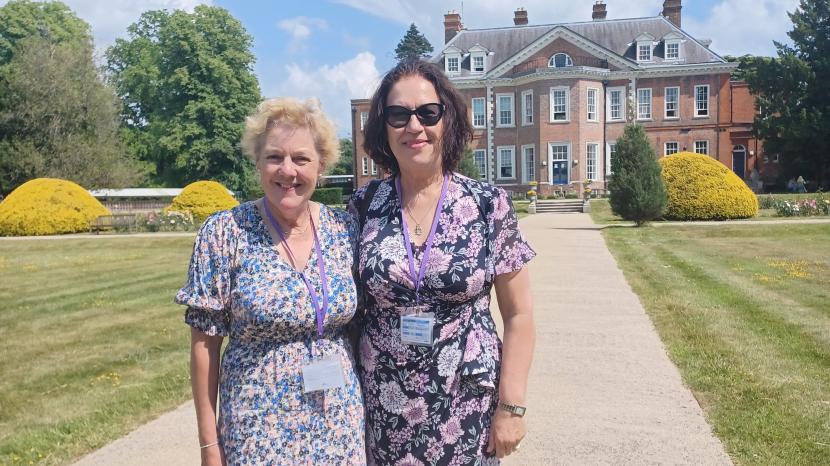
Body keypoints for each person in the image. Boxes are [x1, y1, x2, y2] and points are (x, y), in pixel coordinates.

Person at [349, 58, 536, 464]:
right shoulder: (363, 207)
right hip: (384, 404)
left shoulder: (488, 204)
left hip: (466, 402)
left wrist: (512, 407)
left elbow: (519, 315)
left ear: (447, 119)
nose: (413, 126)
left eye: (427, 113)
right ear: (383, 126)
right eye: (398, 115)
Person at [176, 98, 366, 465]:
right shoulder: (225, 232)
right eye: (275, 157)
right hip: (257, 423)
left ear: (321, 166)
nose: (287, 170)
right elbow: (204, 346)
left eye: (301, 159)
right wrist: (208, 442)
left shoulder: (344, 230)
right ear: (258, 163)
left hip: (338, 422)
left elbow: (356, 329)